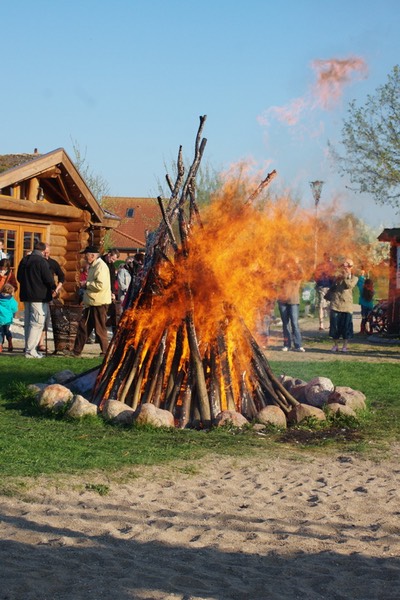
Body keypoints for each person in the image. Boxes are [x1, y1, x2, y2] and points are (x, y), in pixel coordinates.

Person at [68, 245, 111, 357]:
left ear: (92, 255)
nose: (85, 257)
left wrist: (86, 284)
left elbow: (100, 285)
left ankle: (106, 352)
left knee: (100, 329)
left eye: (86, 255)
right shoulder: (94, 266)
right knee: (84, 327)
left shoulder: (100, 267)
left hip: (99, 303)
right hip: (91, 302)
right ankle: (76, 351)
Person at [17, 241, 57, 359]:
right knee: (37, 323)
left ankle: (28, 348)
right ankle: (30, 350)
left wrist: (28, 286)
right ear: (43, 251)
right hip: (39, 297)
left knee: (28, 322)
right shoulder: (41, 262)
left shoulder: (24, 260)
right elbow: (48, 279)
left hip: (26, 295)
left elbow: (19, 277)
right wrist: (53, 288)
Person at [37, 244, 65, 352]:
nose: (46, 254)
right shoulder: (38, 262)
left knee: (45, 318)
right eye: (44, 252)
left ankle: (41, 342)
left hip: (50, 293)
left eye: (47, 252)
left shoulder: (53, 263)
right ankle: (37, 342)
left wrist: (57, 289)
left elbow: (62, 276)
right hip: (38, 292)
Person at [328, 258, 359, 352]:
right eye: (345, 266)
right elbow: (331, 283)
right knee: (334, 327)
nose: (346, 268)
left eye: (349, 266)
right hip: (335, 305)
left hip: (347, 307)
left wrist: (346, 276)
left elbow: (348, 286)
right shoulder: (337, 276)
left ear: (352, 267)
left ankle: (345, 346)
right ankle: (335, 345)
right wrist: (338, 275)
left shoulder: (354, 278)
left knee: (346, 328)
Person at [277, 260, 305, 352]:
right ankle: (287, 345)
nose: (288, 268)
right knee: (285, 324)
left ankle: (298, 345)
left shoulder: (297, 276)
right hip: (282, 301)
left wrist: (297, 263)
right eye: (287, 267)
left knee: (294, 323)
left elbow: (302, 273)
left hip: (293, 301)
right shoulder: (282, 276)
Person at [314, 253, 335, 331]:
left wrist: (319, 283)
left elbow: (316, 276)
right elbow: (334, 277)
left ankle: (321, 324)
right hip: (330, 287)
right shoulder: (332, 266)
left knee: (321, 306)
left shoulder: (319, 266)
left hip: (321, 287)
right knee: (330, 306)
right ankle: (330, 324)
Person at [101, 248, 120, 331]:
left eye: (115, 260)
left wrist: (112, 292)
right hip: (100, 292)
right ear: (109, 255)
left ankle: (114, 332)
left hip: (108, 292)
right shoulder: (100, 262)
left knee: (113, 312)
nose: (113, 261)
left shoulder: (111, 266)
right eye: (112, 259)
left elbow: (112, 280)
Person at [0, 283, 18, 352]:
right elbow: (14, 309)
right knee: (7, 331)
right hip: (7, 319)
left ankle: (0, 346)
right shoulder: (11, 300)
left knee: (0, 332)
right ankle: (10, 342)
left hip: (0, 319)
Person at [357, 270, 375, 334]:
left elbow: (359, 283)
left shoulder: (362, 289)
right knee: (370, 319)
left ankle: (362, 330)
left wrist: (362, 275)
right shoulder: (372, 290)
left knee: (363, 318)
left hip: (363, 305)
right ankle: (371, 330)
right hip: (370, 306)